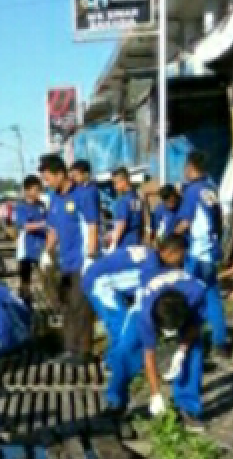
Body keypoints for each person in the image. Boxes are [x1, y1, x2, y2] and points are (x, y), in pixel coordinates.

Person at [104, 268, 208, 427]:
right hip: (143, 309)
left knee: (194, 353)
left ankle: (188, 408)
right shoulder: (146, 313)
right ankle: (115, 401)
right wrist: (155, 394)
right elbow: (149, 354)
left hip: (183, 310)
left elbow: (195, 326)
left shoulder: (197, 293)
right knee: (125, 351)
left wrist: (181, 351)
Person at [83, 236, 186, 369]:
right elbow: (145, 297)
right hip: (99, 285)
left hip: (106, 282)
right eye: (180, 256)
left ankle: (119, 361)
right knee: (120, 324)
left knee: (124, 323)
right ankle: (114, 365)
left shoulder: (152, 257)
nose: (181, 260)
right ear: (170, 252)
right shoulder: (151, 265)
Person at [41, 155, 97, 364]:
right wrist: (47, 251)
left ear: (60, 174)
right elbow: (54, 229)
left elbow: (92, 225)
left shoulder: (83, 195)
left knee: (80, 306)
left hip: (81, 262)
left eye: (48, 178)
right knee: (66, 306)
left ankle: (83, 352)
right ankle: (70, 349)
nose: (47, 183)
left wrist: (90, 256)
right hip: (64, 262)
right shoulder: (55, 198)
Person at [174, 151, 231, 358]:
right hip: (211, 252)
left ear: (190, 167)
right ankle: (220, 342)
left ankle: (193, 344)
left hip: (196, 254)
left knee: (190, 300)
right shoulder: (211, 189)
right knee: (213, 298)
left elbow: (185, 222)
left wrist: (169, 241)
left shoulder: (192, 191)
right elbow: (219, 220)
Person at [14, 175, 48, 304]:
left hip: (41, 246)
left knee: (46, 278)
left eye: (39, 189)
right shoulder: (21, 206)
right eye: (35, 190)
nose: (38, 192)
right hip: (26, 250)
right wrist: (43, 224)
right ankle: (25, 305)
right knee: (25, 280)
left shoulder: (42, 205)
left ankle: (51, 306)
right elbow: (25, 226)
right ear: (27, 191)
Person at [109, 167, 144, 250]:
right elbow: (139, 218)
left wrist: (113, 245)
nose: (115, 187)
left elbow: (122, 223)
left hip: (125, 242)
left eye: (115, 183)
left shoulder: (123, 201)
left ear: (124, 181)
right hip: (136, 239)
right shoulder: (136, 197)